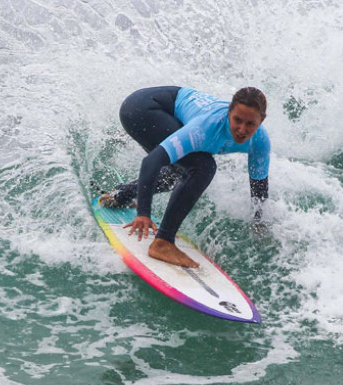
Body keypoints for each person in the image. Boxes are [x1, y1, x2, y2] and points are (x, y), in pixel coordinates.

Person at [100, 86, 270, 268]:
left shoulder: (260, 142)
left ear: (261, 121)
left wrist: (258, 222)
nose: (242, 129)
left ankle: (121, 195)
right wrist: (143, 214)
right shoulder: (204, 129)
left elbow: (259, 186)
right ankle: (163, 242)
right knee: (202, 167)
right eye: (237, 120)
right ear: (229, 112)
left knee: (183, 171)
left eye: (250, 124)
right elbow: (151, 162)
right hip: (142, 110)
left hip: (165, 109)